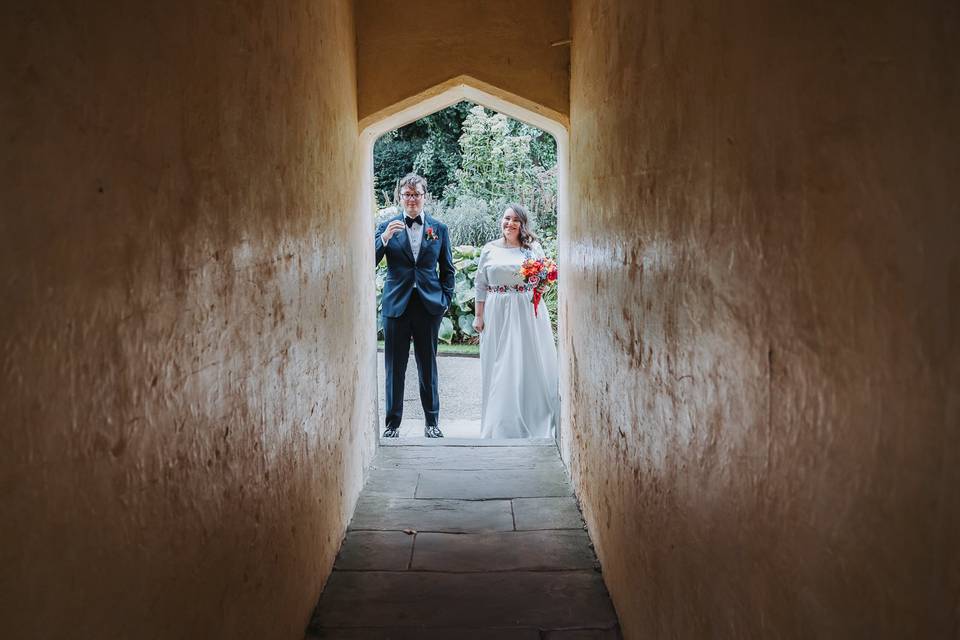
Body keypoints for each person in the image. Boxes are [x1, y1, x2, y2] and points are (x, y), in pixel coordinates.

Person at [375, 173, 455, 438]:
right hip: (396, 306)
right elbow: (369, 260)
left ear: (424, 197)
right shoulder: (386, 227)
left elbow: (448, 270)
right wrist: (384, 238)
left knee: (427, 365)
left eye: (416, 194)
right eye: (407, 195)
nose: (412, 199)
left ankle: (432, 422)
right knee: (394, 367)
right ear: (400, 197)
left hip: (428, 306)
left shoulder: (438, 229)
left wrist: (444, 301)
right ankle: (392, 424)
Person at [472, 204, 559, 438]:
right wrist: (479, 316)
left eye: (515, 220)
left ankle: (533, 417)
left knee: (527, 362)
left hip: (525, 310)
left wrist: (537, 288)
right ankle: (499, 423)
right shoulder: (489, 249)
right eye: (506, 218)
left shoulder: (533, 250)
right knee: (499, 362)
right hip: (497, 309)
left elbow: (543, 278)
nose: (509, 223)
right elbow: (480, 284)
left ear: (522, 224)